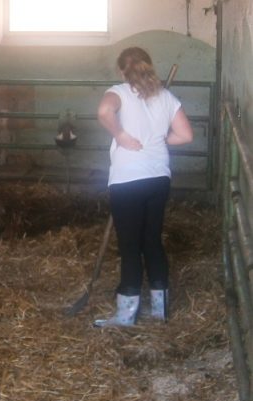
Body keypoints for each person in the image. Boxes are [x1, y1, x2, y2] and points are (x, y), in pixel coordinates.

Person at [94, 47, 193, 327]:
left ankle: (126, 314)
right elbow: (186, 135)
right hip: (158, 178)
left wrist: (121, 135)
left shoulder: (119, 92)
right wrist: (159, 140)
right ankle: (159, 311)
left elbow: (104, 111)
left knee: (130, 246)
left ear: (121, 71)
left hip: (128, 180)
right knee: (152, 241)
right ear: (148, 66)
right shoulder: (166, 96)